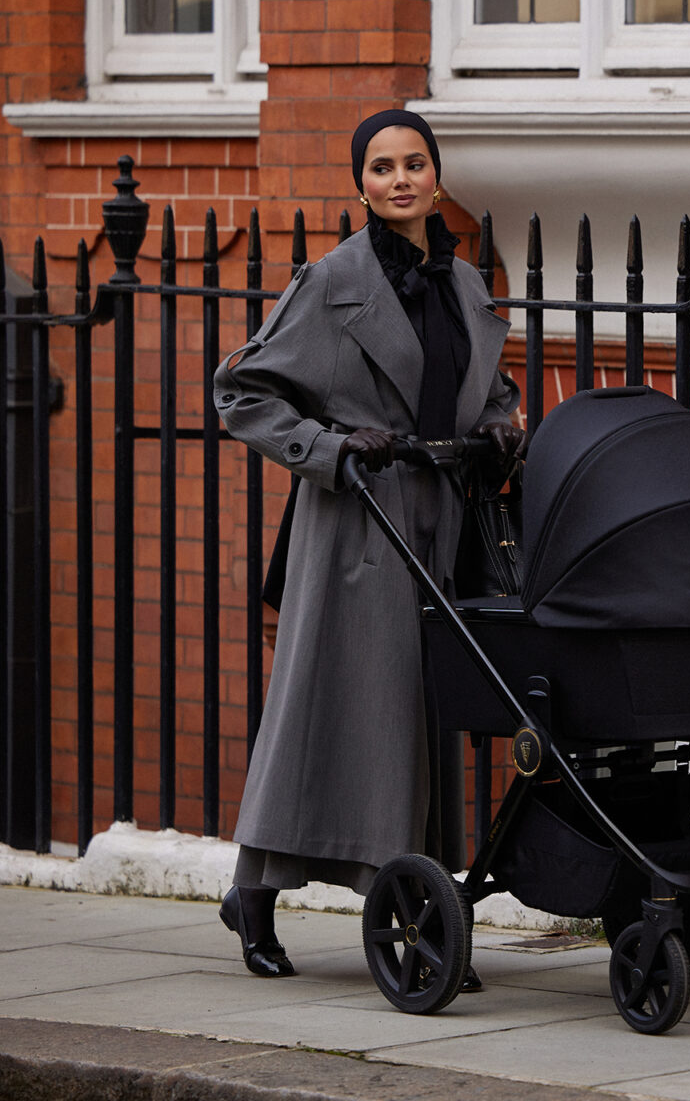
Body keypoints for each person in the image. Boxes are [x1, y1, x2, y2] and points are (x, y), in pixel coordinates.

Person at [212, 109, 525, 983]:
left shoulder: (462, 283)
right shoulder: (330, 280)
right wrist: (329, 450)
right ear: (361, 185)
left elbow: (485, 389)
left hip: (442, 522)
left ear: (437, 177)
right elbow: (242, 393)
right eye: (381, 167)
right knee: (321, 713)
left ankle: (421, 907)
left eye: (414, 164)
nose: (399, 179)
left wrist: (501, 430)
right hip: (354, 523)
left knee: (420, 721)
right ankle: (258, 896)